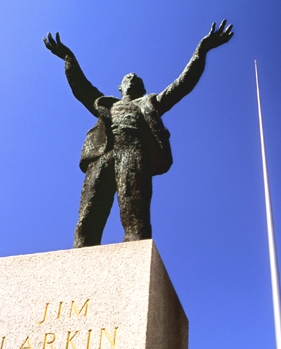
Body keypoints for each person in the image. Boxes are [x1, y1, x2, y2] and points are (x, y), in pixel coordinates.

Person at [43, 20, 233, 246]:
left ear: (142, 89)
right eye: (127, 79)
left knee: (135, 215)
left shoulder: (150, 102)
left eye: (137, 79)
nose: (132, 78)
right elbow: (81, 86)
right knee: (88, 216)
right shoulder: (106, 103)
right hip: (102, 155)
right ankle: (79, 261)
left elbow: (183, 84)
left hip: (134, 155)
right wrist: (68, 57)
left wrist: (201, 50)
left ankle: (134, 261)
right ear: (120, 88)